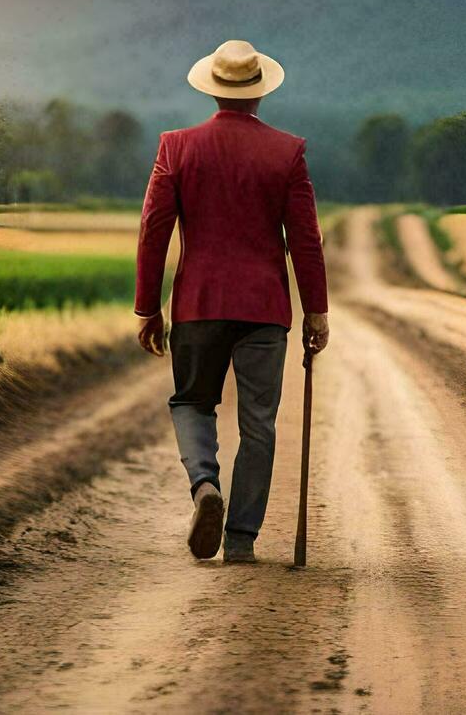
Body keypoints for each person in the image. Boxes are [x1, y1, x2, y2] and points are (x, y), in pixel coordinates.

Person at [134, 39, 330, 564]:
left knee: (192, 403)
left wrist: (147, 306)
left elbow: (154, 229)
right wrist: (316, 309)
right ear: (260, 93)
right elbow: (305, 239)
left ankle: (204, 487)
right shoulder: (288, 151)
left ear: (213, 90)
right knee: (259, 422)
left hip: (198, 304)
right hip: (266, 309)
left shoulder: (176, 147)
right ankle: (241, 540)